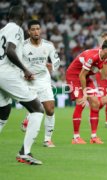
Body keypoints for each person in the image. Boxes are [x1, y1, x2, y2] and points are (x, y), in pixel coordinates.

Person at [0, 5, 44, 165]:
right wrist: (24, 69)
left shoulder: (2, 30)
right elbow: (10, 51)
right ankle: (24, 153)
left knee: (3, 112)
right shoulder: (16, 29)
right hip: (7, 75)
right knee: (37, 109)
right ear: (23, 16)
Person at [66, 39, 107, 144]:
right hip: (74, 76)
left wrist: (106, 62)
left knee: (95, 103)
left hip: (86, 77)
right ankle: (75, 137)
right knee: (81, 103)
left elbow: (103, 76)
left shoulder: (105, 58)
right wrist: (85, 94)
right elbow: (81, 75)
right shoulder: (93, 56)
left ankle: (93, 137)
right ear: (106, 50)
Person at [20, 19, 60, 148]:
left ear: (41, 30)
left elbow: (57, 61)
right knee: (37, 109)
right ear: (29, 32)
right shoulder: (23, 46)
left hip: (43, 80)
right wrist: (23, 73)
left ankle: (47, 139)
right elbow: (15, 63)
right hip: (28, 82)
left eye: (38, 29)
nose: (36, 31)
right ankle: (28, 118)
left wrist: (52, 67)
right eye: (33, 29)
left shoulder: (48, 45)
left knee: (50, 109)